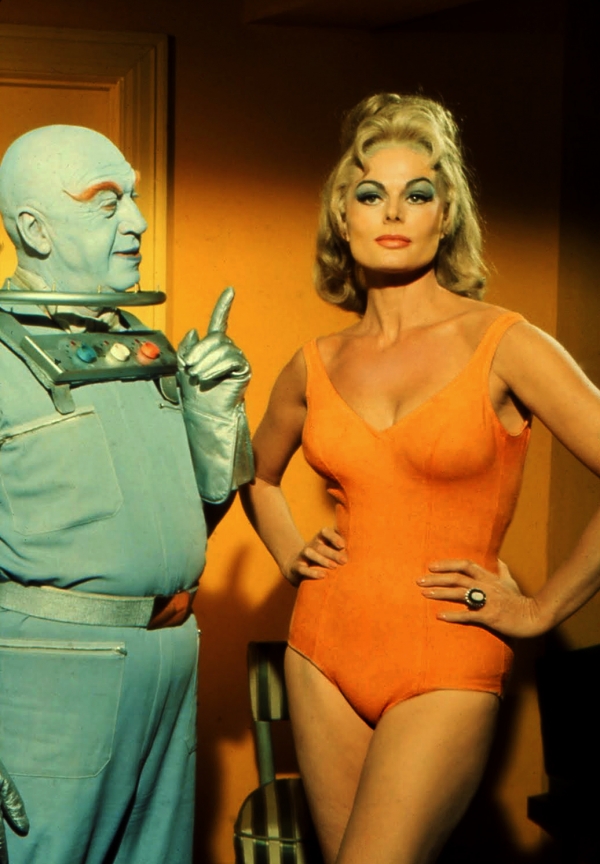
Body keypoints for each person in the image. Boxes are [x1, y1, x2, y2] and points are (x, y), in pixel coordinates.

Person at [241, 92, 600, 864]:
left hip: (449, 652)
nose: (394, 211)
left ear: (447, 217)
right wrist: (289, 551)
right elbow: (256, 476)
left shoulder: (505, 343)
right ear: (343, 218)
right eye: (371, 194)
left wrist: (539, 609)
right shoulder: (315, 363)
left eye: (419, 193)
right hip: (321, 652)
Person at [0, 125, 252, 864]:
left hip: (169, 665)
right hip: (50, 689)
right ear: (36, 230)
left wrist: (213, 416)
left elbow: (185, 522)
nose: (138, 222)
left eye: (133, 199)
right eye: (107, 204)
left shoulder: (143, 348)